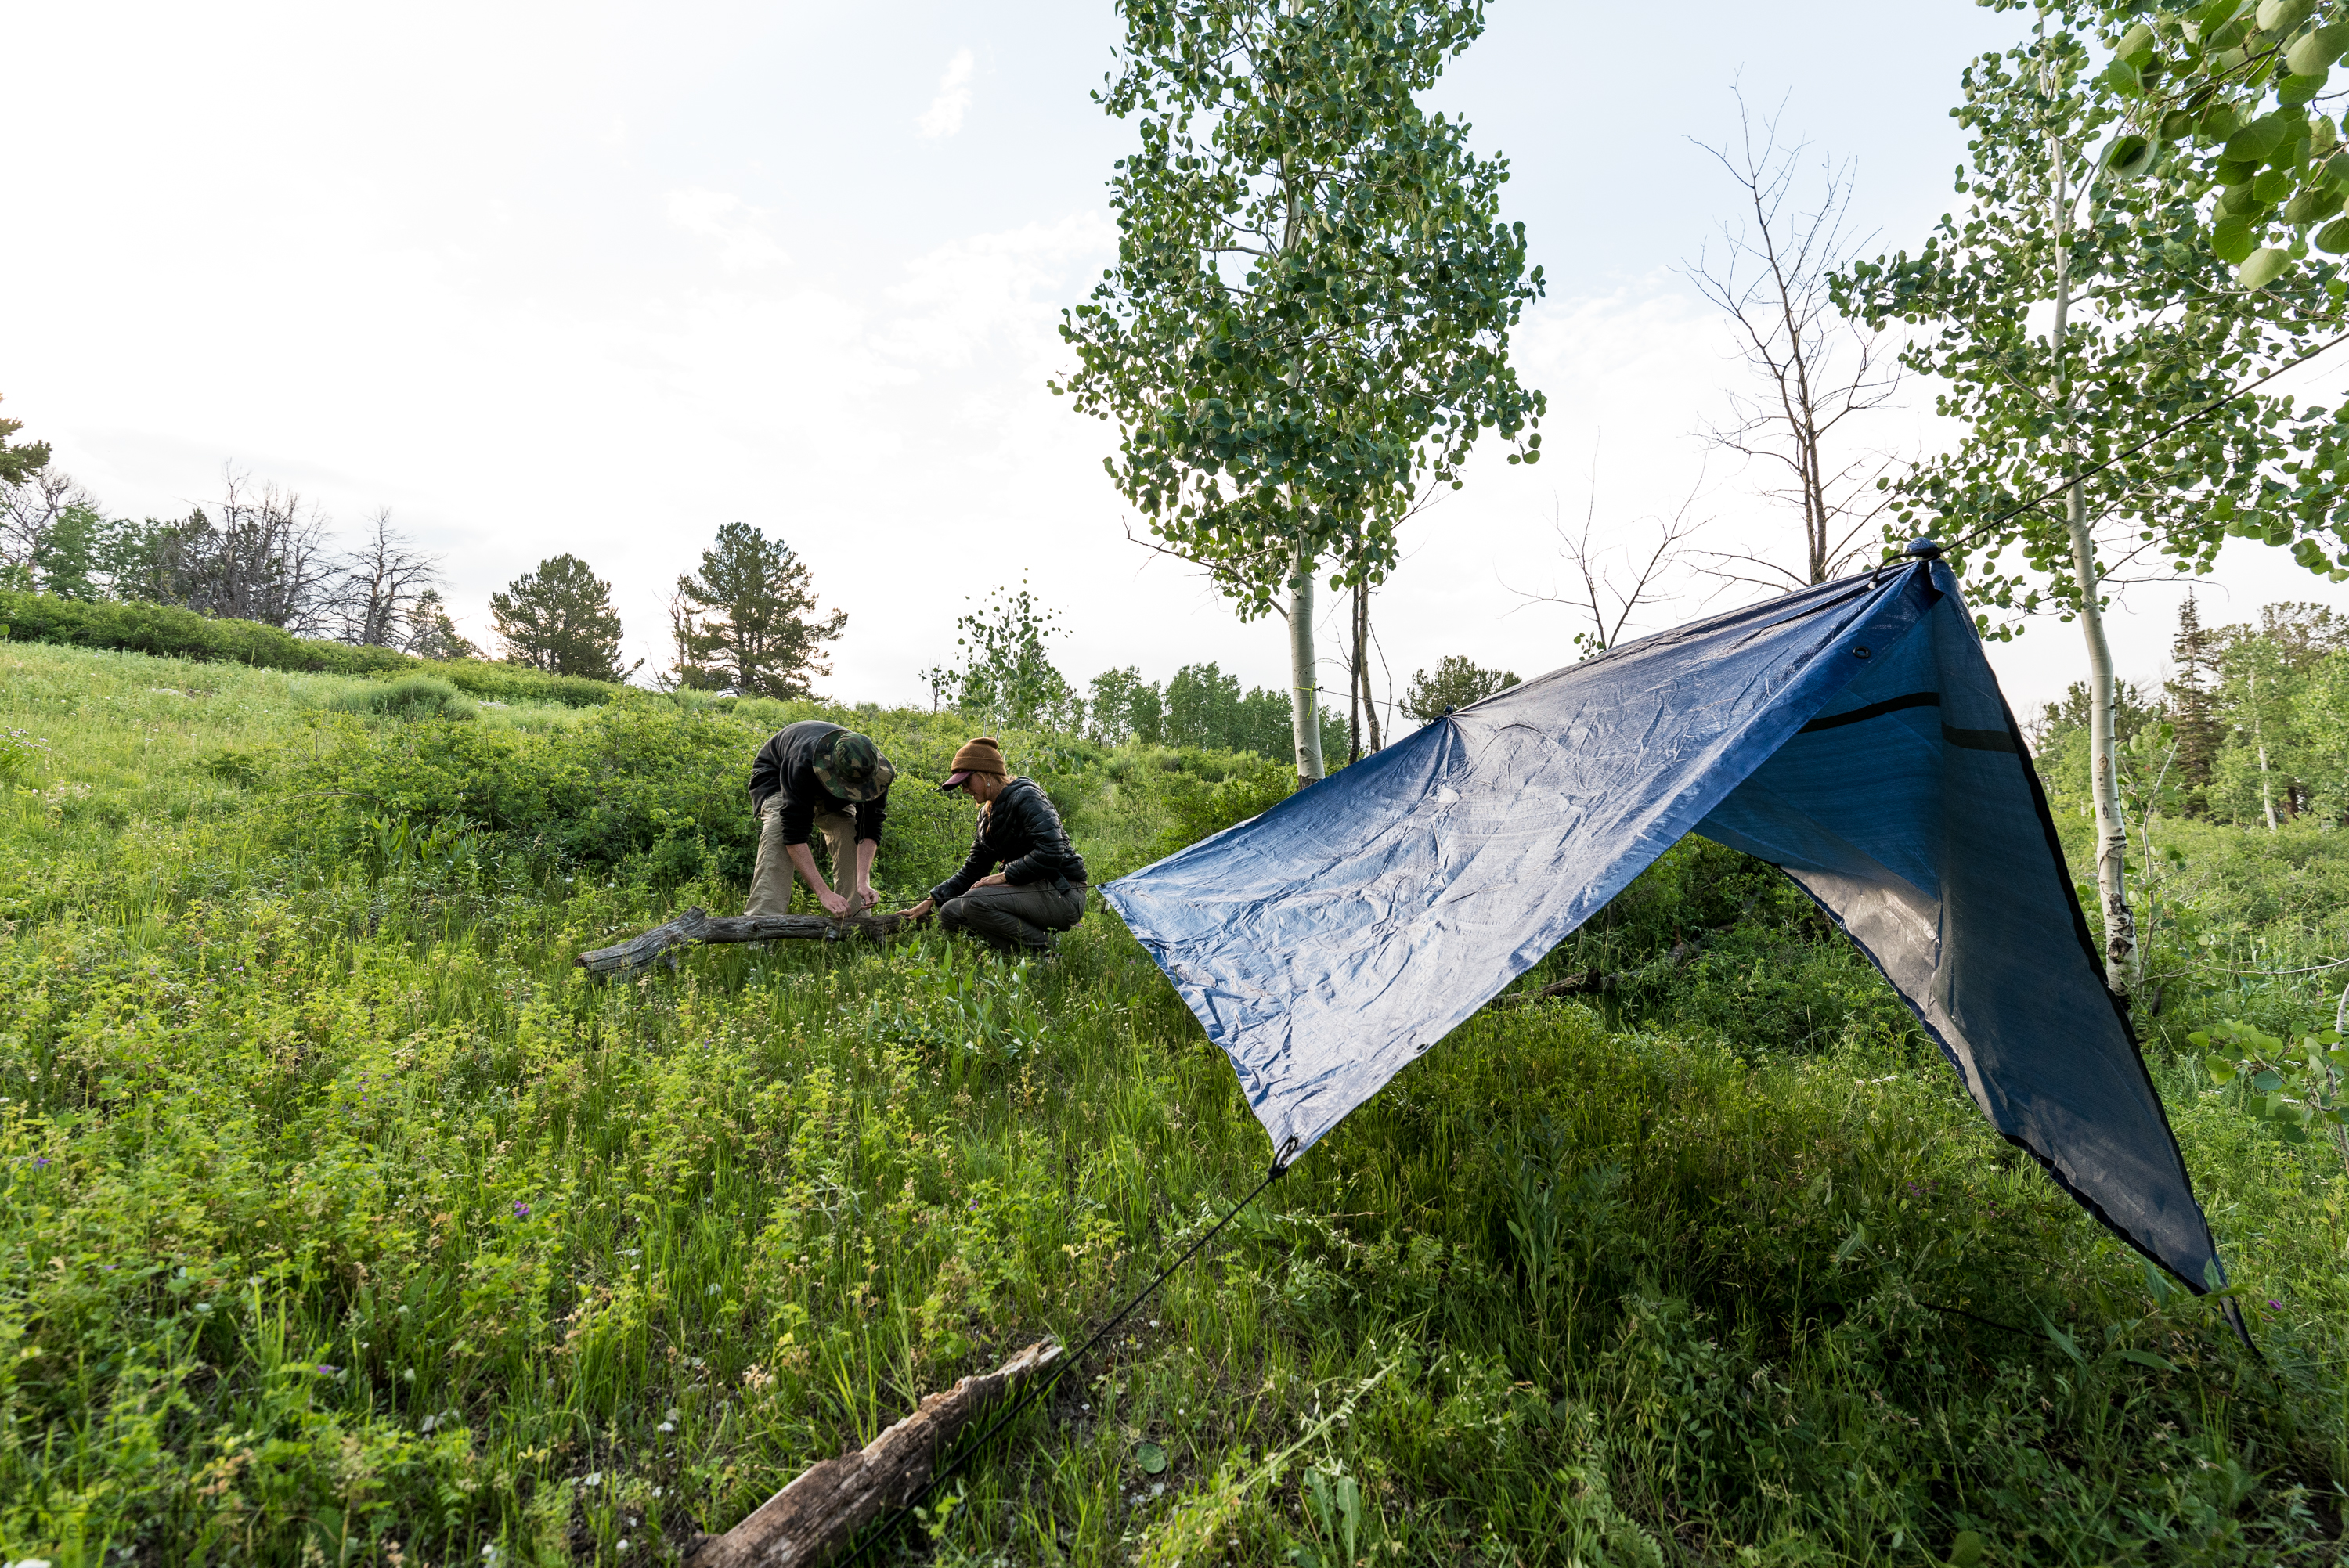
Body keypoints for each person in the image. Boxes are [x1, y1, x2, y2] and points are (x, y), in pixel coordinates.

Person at [897, 736, 1086, 953]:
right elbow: (974, 869)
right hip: (1027, 892)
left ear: (986, 774)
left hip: (1062, 892)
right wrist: (932, 899)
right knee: (949, 912)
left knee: (974, 902)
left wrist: (1005, 875)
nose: (964, 790)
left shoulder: (1027, 796)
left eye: (967, 782)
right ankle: (1013, 953)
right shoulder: (986, 815)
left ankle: (1044, 949)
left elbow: (1052, 851)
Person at [745, 720, 896, 917]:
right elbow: (793, 834)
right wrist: (824, 893)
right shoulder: (801, 761)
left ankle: (855, 922)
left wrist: (863, 880)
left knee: (848, 831)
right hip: (776, 775)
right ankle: (762, 925)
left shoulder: (876, 772)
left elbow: (871, 826)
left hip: (830, 782)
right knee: (778, 830)